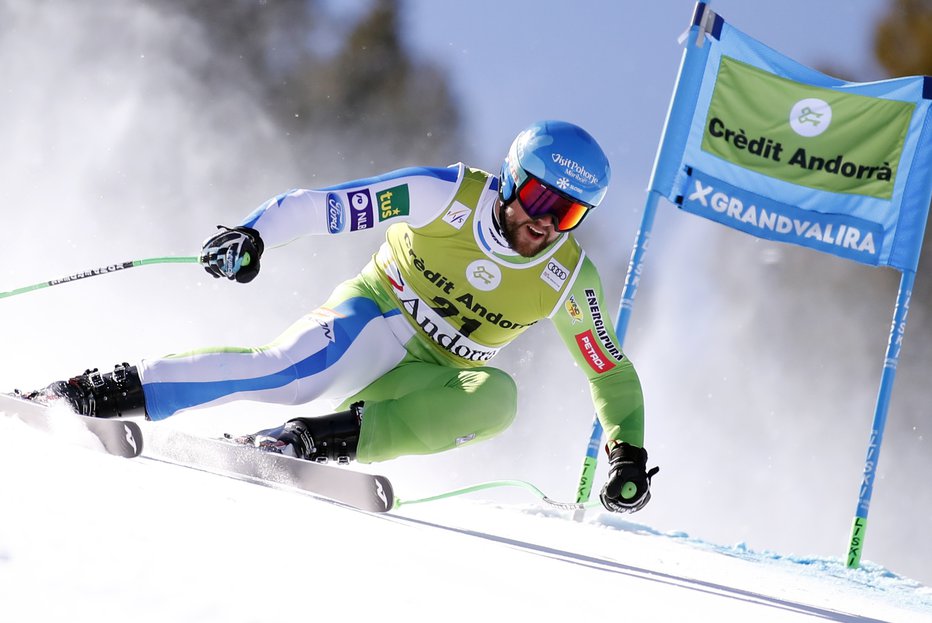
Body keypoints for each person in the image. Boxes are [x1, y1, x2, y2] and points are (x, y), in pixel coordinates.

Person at [21, 120, 658, 513]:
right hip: (374, 316)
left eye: (569, 214)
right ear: (511, 179)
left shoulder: (566, 276)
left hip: (432, 374)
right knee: (287, 374)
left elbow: (609, 371)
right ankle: (93, 392)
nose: (546, 224)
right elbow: (321, 206)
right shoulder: (445, 194)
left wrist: (627, 452)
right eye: (542, 198)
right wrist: (254, 234)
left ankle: (310, 442)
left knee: (499, 399)